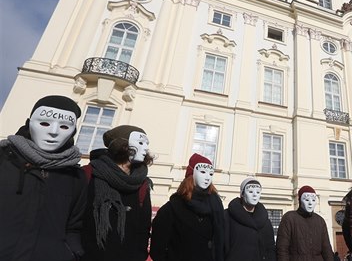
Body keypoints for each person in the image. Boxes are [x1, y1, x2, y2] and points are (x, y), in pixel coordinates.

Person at [0, 95, 86, 261]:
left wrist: (71, 253)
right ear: (29, 122)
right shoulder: (3, 159)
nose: (53, 132)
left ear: (73, 131)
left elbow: (74, 227)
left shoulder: (76, 175)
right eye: (44, 123)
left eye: (64, 126)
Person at [81, 125, 153, 261]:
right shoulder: (88, 174)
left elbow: (143, 229)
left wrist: (139, 255)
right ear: (122, 144)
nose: (145, 149)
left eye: (147, 144)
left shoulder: (143, 184)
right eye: (140, 143)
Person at [150, 153, 225, 261]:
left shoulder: (216, 206)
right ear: (191, 173)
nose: (207, 177)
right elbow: (157, 249)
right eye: (203, 172)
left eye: (211, 174)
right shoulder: (171, 209)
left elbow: (220, 243)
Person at [276, 185, 334, 261]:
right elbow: (282, 248)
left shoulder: (320, 221)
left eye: (313, 200)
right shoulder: (289, 218)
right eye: (306, 200)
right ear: (300, 200)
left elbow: (326, 249)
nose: (310, 203)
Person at [224, 177, 276, 261]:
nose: (255, 195)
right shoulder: (227, 216)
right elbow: (221, 246)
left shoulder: (265, 220)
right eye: (250, 191)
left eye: (258, 192)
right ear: (242, 194)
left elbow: (270, 247)